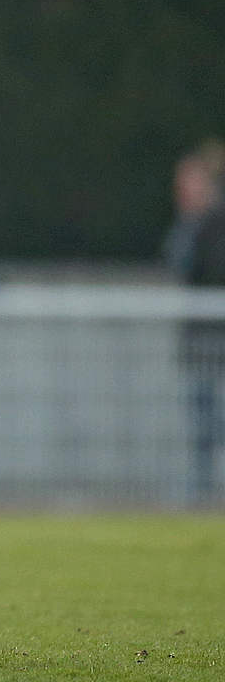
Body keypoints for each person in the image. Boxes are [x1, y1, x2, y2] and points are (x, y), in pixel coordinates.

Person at [164, 143, 225, 502]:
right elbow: (175, 261)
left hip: (216, 333)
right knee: (201, 413)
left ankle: (201, 486)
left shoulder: (215, 221)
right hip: (196, 335)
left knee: (209, 415)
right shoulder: (187, 224)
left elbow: (206, 269)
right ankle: (201, 486)